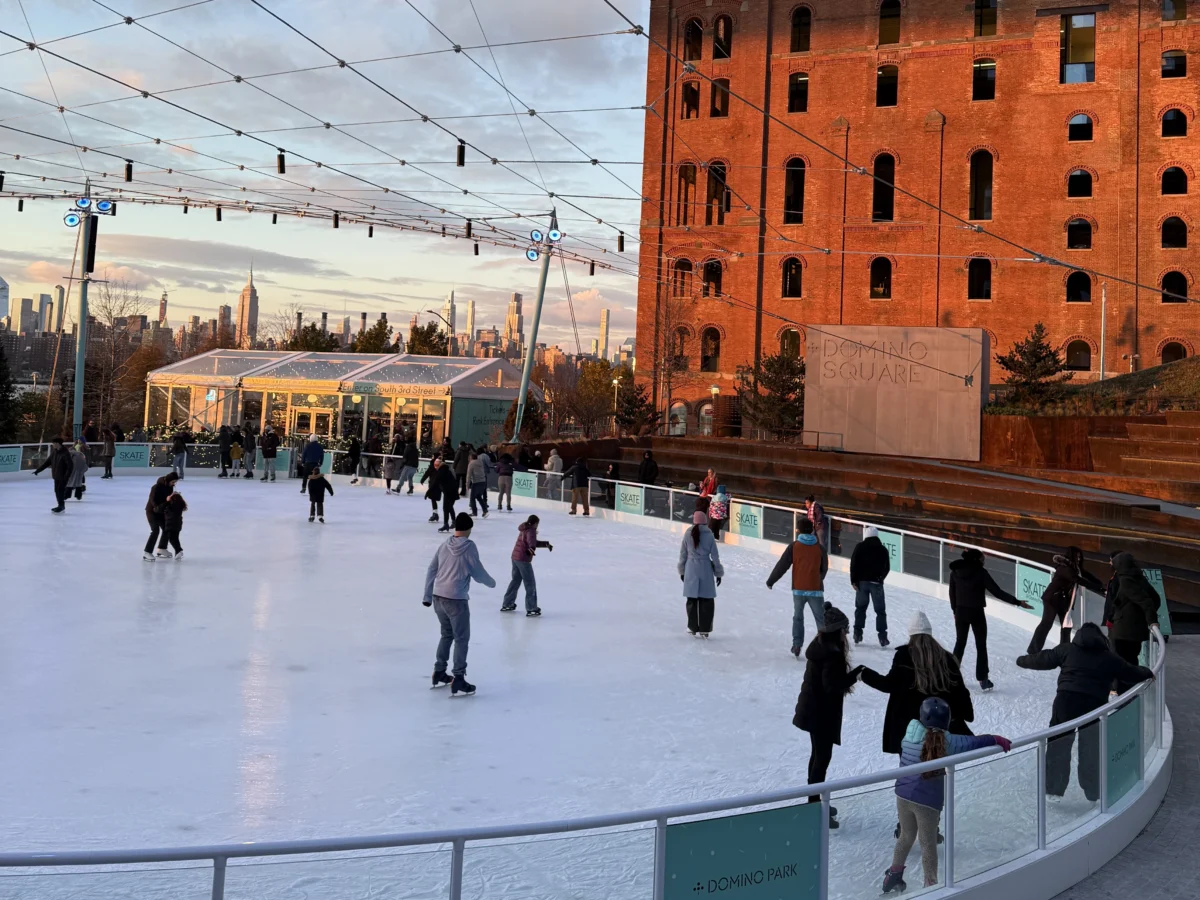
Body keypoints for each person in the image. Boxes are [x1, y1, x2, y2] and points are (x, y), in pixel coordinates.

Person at [882, 697, 1012, 893]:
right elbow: (973, 742)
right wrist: (996, 739)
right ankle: (931, 887)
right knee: (927, 844)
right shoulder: (948, 742)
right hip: (927, 801)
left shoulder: (909, 734)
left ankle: (893, 875)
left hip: (903, 794)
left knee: (906, 836)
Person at [1017, 622, 1153, 802]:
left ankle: (1053, 790)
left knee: (1059, 745)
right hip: (1094, 705)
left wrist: (1021, 660)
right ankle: (1093, 792)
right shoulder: (1109, 657)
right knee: (1091, 749)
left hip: (1066, 702)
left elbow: (1043, 659)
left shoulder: (1066, 650)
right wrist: (1148, 672)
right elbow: (1130, 671)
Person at [859, 611, 976, 758]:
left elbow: (889, 684)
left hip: (911, 731)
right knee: (939, 771)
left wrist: (864, 674)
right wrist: (966, 714)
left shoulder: (904, 656)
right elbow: (961, 691)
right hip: (941, 730)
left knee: (911, 773)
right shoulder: (947, 658)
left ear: (911, 634)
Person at [792, 602, 860, 828]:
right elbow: (832, 685)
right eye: (845, 630)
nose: (846, 635)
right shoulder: (831, 653)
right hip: (821, 714)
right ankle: (814, 808)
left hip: (813, 711)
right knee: (821, 759)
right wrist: (856, 675)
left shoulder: (819, 646)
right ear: (838, 631)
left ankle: (814, 801)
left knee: (817, 757)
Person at [423, 512, 496, 697]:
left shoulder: (444, 544)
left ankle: (439, 671)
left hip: (438, 596)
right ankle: (459, 678)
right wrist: (491, 582)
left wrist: (427, 595)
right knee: (461, 639)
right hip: (456, 599)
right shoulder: (469, 547)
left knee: (446, 635)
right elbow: (477, 571)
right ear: (469, 528)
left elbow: (432, 568)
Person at [949, 548, 1033, 691]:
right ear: (976, 560)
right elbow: (997, 592)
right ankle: (983, 679)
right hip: (976, 613)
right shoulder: (981, 573)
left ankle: (951, 677)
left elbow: (952, 593)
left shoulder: (955, 572)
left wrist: (955, 610)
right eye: (983, 558)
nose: (984, 560)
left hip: (961, 612)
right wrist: (1017, 602)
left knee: (960, 643)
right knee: (981, 645)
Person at [766, 519, 827, 657]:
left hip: (798, 589)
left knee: (798, 617)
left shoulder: (794, 546)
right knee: (820, 619)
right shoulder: (820, 548)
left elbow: (783, 565)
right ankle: (825, 646)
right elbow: (824, 568)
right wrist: (817, 579)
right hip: (816, 590)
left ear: (798, 530)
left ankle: (797, 645)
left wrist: (771, 580)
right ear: (812, 530)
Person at [1028, 546, 1106, 654]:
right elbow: (1078, 580)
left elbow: (1086, 575)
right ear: (1071, 556)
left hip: (1064, 601)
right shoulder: (1064, 568)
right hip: (1052, 599)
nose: (1078, 559)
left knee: (1066, 626)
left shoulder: (1075, 568)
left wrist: (1101, 585)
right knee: (1046, 624)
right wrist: (1097, 587)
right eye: (1077, 556)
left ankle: (1064, 652)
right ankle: (1033, 650)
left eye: (1080, 557)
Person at [1107, 552, 1162, 679]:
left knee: (1122, 663)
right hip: (1134, 630)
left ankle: (1125, 693)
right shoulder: (1139, 578)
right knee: (1131, 661)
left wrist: (1152, 621)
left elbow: (1147, 602)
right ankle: (1130, 692)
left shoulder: (1126, 580)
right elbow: (1155, 599)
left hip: (1124, 631)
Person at [679, 507, 725, 637]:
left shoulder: (687, 534)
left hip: (691, 568)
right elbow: (715, 556)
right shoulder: (709, 535)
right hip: (705, 568)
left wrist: (682, 570)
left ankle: (692, 626)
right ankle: (705, 628)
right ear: (705, 521)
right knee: (706, 599)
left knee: (692, 599)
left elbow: (683, 554)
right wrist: (718, 572)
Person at [502, 515, 553, 615]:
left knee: (515, 581)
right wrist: (531, 549)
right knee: (530, 584)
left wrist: (546, 544)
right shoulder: (531, 530)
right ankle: (531, 608)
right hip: (523, 559)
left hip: (515, 557)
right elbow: (531, 542)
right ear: (535, 523)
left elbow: (531, 541)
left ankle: (507, 603)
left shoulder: (524, 528)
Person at [850, 526, 891, 646]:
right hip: (876, 584)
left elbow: (854, 565)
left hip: (861, 583)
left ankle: (857, 633)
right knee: (880, 611)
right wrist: (881, 578)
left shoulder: (859, 547)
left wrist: (854, 581)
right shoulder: (883, 549)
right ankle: (882, 637)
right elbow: (887, 567)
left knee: (860, 608)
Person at [143, 472, 179, 561]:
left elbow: (167, 501)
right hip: (152, 511)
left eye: (175, 482)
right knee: (155, 530)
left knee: (167, 529)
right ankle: (147, 552)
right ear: (168, 480)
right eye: (173, 482)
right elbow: (154, 503)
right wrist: (166, 501)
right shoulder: (156, 488)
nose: (174, 484)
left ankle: (162, 549)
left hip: (161, 511)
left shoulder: (170, 487)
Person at [33, 436, 73, 513]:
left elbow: (70, 466)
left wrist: (66, 477)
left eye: (54, 443)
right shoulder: (54, 452)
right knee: (57, 491)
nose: (53, 445)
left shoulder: (65, 453)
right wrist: (38, 470)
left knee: (60, 491)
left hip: (63, 477)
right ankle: (60, 505)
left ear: (58, 444)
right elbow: (47, 463)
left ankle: (61, 506)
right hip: (56, 475)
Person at [162, 491, 187, 560]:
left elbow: (160, 509)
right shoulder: (180, 505)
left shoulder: (170, 506)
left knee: (172, 539)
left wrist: (167, 501)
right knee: (175, 538)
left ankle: (179, 550)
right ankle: (177, 552)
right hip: (178, 525)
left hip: (170, 524)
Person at [466, 451, 489, 518]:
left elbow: (468, 475)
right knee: (479, 497)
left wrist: (467, 485)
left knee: (472, 498)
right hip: (483, 482)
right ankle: (485, 511)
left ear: (471, 458)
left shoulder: (471, 464)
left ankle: (474, 512)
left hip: (476, 482)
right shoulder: (480, 462)